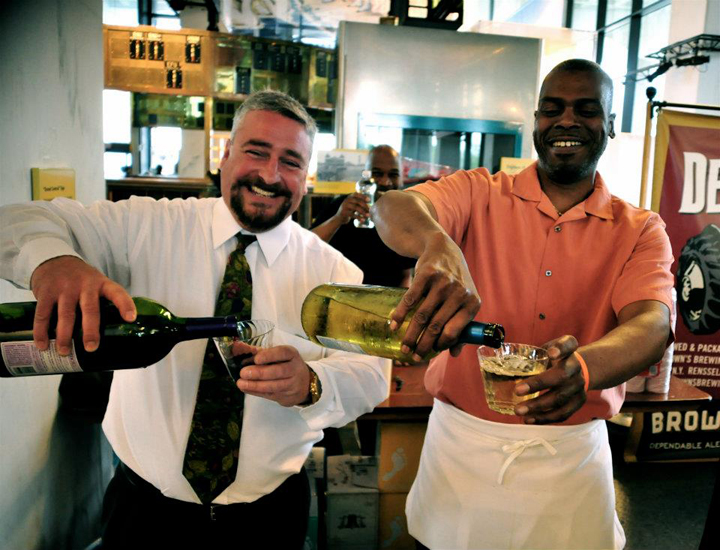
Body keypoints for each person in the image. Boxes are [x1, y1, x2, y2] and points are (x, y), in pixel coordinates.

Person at [0, 90, 388, 548]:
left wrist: (313, 383)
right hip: (144, 512)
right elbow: (20, 219)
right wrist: (55, 262)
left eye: (290, 162)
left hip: (268, 517)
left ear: (306, 177)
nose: (270, 175)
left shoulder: (334, 272)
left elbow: (372, 374)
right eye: (256, 152)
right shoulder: (148, 226)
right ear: (225, 156)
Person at [372, 59, 674, 550]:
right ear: (536, 121)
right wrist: (435, 241)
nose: (566, 121)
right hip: (461, 451)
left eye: (586, 110)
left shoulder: (639, 229)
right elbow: (392, 206)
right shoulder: (479, 192)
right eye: (552, 109)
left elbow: (651, 324)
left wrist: (583, 368)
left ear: (611, 124)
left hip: (570, 460)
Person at [311, 144, 415, 287]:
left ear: (401, 179)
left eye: (393, 174)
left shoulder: (405, 215)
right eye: (377, 173)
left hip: (386, 299)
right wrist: (338, 219)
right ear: (365, 175)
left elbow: (405, 274)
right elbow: (305, 248)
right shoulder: (344, 207)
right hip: (341, 296)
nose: (385, 182)